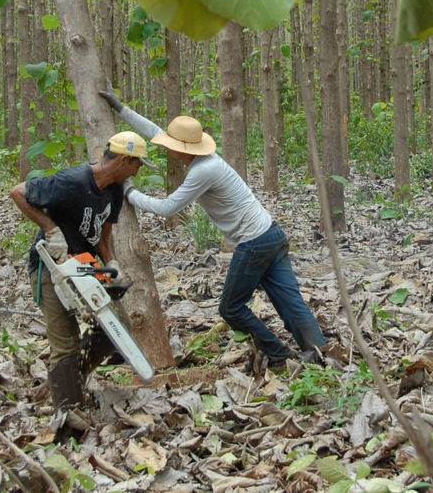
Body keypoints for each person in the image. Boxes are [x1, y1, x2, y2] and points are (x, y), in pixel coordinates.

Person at [100, 89, 326, 369]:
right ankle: (321, 356)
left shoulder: (203, 171)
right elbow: (156, 132)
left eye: (172, 145)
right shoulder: (205, 159)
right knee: (290, 301)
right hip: (271, 234)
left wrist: (129, 191)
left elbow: (169, 208)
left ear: (182, 148)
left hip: (254, 242)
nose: (167, 148)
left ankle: (280, 354)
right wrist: (121, 108)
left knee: (230, 308)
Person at [9, 131, 151, 409]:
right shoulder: (72, 181)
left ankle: (73, 378)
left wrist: (112, 263)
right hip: (52, 266)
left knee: (118, 326)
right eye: (137, 164)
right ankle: (68, 411)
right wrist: (52, 231)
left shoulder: (115, 189)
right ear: (124, 160)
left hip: (86, 265)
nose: (138, 169)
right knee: (65, 344)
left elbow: (104, 231)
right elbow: (19, 191)